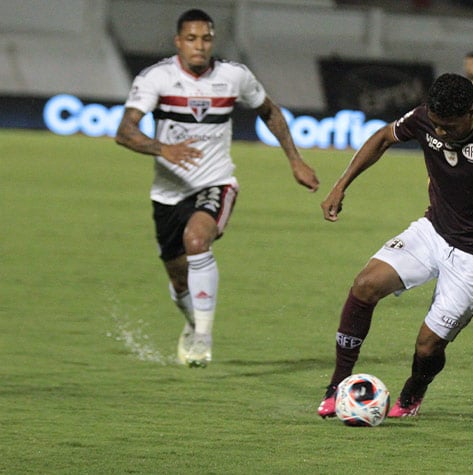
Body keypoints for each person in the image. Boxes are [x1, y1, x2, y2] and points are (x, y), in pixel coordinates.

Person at [317, 73, 473, 418]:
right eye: (436, 126)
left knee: (428, 345)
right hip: (432, 231)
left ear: (471, 112)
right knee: (364, 286)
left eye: (448, 127)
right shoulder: (424, 118)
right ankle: (337, 384)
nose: (441, 134)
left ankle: (412, 395)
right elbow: (383, 137)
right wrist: (341, 184)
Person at [115, 9, 320, 367]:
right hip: (167, 193)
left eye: (206, 38)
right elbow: (125, 131)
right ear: (179, 42)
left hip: (216, 182)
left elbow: (269, 111)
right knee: (180, 281)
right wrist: (164, 149)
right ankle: (194, 324)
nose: (199, 46)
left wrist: (295, 159)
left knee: (198, 241)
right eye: (191, 39)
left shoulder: (233, 76)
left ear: (213, 41)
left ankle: (204, 339)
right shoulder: (157, 78)